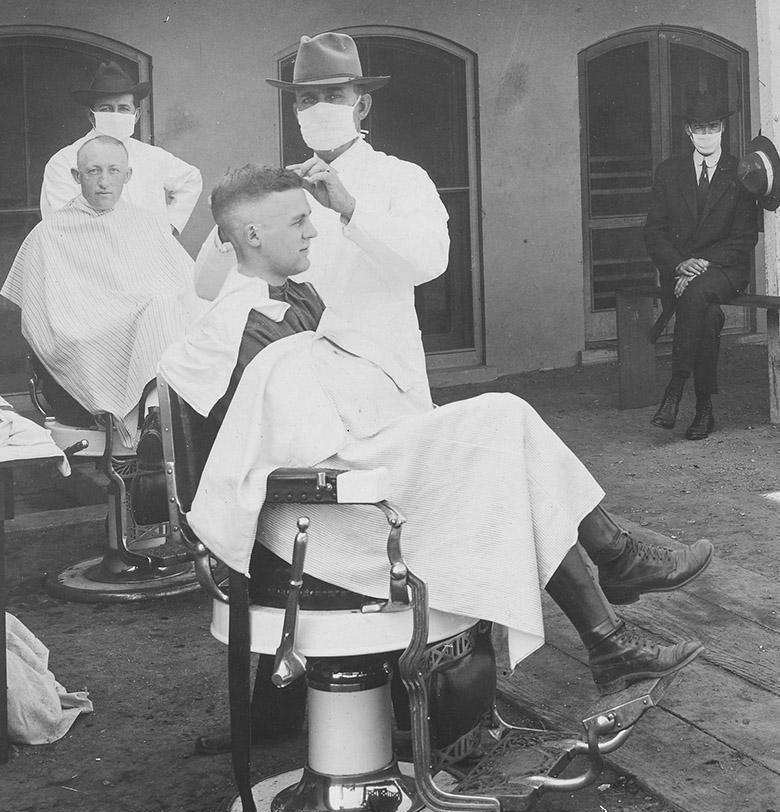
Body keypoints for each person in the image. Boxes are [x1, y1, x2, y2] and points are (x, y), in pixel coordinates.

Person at [160, 166, 711, 750]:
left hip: (350, 485)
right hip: (314, 520)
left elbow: (345, 397)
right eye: (298, 221)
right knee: (501, 420)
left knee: (500, 444)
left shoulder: (299, 298)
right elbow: (281, 445)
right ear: (251, 235)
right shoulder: (230, 329)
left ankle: (610, 625)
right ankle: (612, 593)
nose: (312, 233)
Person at [193, 31, 449, 409]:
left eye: (334, 96)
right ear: (296, 112)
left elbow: (429, 263)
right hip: (300, 379)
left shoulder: (402, 178)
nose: (320, 108)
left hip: (381, 370)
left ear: (362, 106)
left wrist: (351, 209)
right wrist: (231, 219)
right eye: (308, 100)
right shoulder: (278, 189)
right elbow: (206, 286)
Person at [2, 136, 202, 454]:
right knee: (159, 309)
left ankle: (156, 416)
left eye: (113, 170)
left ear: (128, 175)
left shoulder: (148, 224)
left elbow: (189, 291)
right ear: (76, 176)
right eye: (93, 171)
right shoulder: (49, 233)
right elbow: (48, 324)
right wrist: (123, 321)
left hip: (152, 341)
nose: (104, 181)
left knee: (168, 309)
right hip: (83, 365)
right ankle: (154, 418)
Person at [644, 91, 759, 440]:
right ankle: (704, 409)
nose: (706, 134)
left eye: (712, 127)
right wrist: (680, 264)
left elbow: (744, 238)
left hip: (725, 269)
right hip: (683, 271)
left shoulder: (740, 173)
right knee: (707, 317)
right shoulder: (669, 172)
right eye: (699, 128)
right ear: (688, 131)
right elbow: (654, 231)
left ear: (723, 128)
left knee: (696, 294)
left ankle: (675, 387)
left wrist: (703, 263)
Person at [40, 60, 202, 235]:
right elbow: (63, 223)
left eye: (123, 108)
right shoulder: (65, 161)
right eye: (106, 109)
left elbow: (191, 179)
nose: (115, 115)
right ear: (91, 116)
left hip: (149, 248)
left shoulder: (151, 156)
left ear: (136, 115)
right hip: (92, 248)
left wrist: (168, 228)